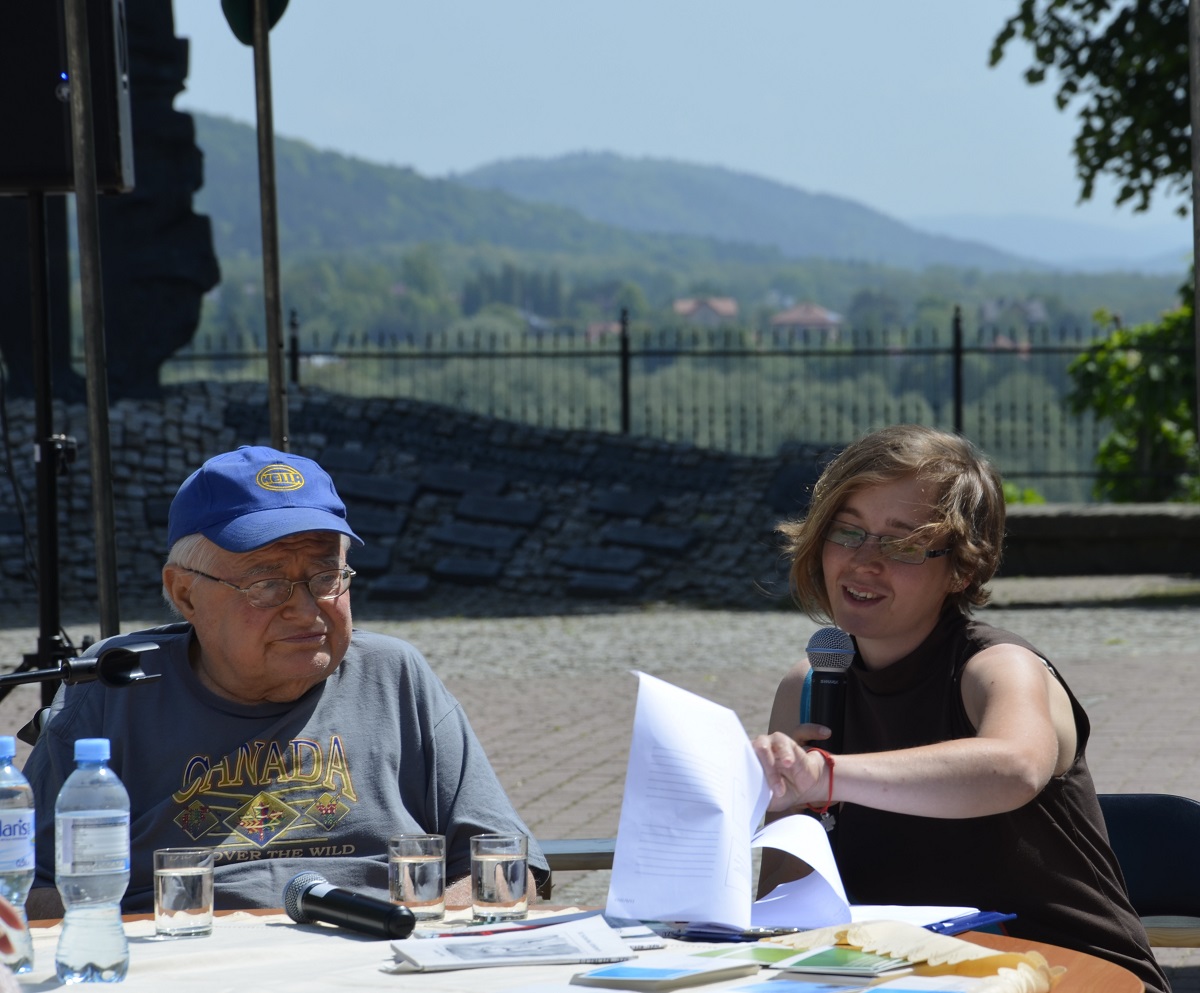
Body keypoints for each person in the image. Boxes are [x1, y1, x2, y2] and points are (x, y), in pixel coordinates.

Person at [23, 445, 548, 918]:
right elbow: (25, 886)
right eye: (267, 583)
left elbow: (506, 863)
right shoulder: (117, 684)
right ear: (184, 594)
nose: (305, 609)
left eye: (326, 577)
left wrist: (427, 935)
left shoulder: (392, 676)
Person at [751, 424, 1169, 993]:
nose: (865, 562)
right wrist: (783, 813)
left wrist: (827, 776)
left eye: (902, 544)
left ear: (964, 567)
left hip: (1063, 969)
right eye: (847, 533)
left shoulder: (998, 667)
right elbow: (784, 901)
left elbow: (1013, 767)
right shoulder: (807, 685)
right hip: (898, 974)